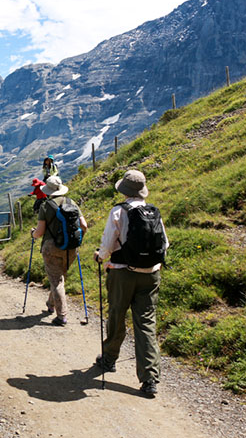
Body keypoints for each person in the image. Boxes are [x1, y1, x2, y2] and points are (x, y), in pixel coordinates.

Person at [93, 169, 168, 397]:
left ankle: (109, 359)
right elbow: (164, 243)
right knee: (146, 323)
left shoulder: (118, 212)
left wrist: (100, 256)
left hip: (122, 273)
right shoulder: (153, 211)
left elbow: (107, 243)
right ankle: (149, 378)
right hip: (151, 274)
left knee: (117, 314)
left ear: (124, 190)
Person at [30, 176, 88, 326]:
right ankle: (51, 304)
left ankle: (61, 316)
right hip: (71, 247)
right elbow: (84, 226)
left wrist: (33, 234)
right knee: (59, 278)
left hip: (52, 247)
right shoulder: (72, 202)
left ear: (48, 190)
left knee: (56, 280)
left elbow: (40, 232)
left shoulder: (46, 206)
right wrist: (77, 239)